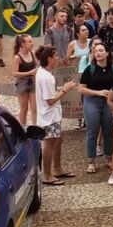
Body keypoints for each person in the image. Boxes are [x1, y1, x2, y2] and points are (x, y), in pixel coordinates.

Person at [35, 45, 77, 186]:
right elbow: (50, 100)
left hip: (51, 115)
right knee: (49, 143)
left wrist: (61, 87)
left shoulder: (42, 72)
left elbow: (50, 92)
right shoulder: (46, 77)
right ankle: (47, 175)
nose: (58, 58)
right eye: (56, 56)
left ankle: (57, 169)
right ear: (49, 58)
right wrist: (65, 89)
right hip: (49, 116)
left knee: (58, 140)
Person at [79, 43, 113, 174]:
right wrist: (98, 92)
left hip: (109, 103)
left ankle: (109, 158)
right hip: (92, 102)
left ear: (107, 53)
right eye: (96, 51)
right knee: (92, 131)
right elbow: (81, 88)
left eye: (101, 50)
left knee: (108, 131)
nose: (98, 53)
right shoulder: (90, 69)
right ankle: (91, 161)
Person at [11, 34, 37, 125]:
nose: (32, 43)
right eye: (29, 41)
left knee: (34, 107)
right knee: (24, 108)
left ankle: (35, 127)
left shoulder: (32, 53)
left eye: (32, 41)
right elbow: (14, 73)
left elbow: (36, 65)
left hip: (32, 82)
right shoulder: (17, 57)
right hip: (22, 84)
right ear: (22, 44)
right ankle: (22, 128)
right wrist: (29, 73)